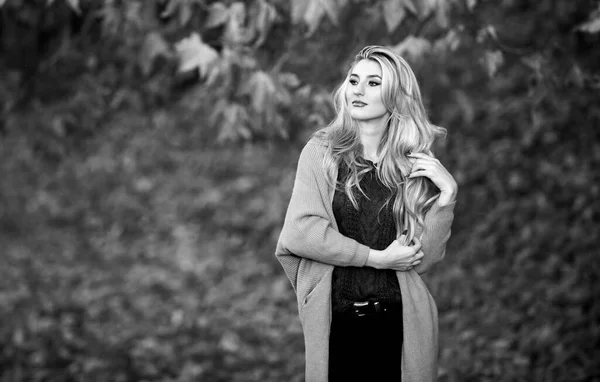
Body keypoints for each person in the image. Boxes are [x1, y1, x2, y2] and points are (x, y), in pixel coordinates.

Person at [275, 45, 457, 382]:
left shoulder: (410, 166)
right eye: (354, 80)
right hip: (339, 325)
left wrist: (447, 196)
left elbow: (422, 260)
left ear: (395, 98)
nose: (358, 90)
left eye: (374, 83)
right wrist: (374, 258)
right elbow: (302, 232)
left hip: (400, 326)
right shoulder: (322, 152)